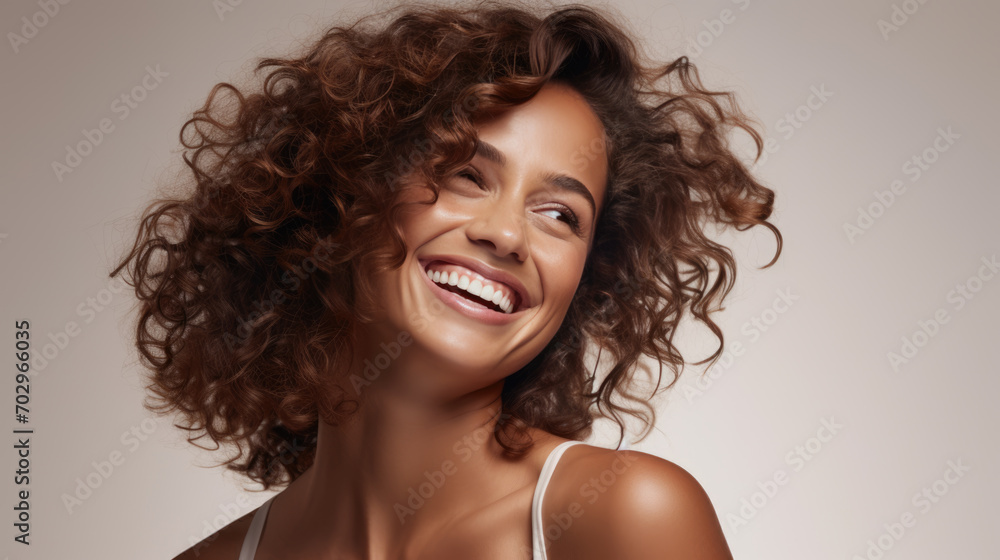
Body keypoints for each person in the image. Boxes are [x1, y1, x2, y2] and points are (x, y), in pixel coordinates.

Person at [111, 1, 781, 558]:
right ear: (341, 194)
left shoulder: (624, 519)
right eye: (466, 174)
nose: (508, 234)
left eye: (559, 215)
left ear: (587, 281)